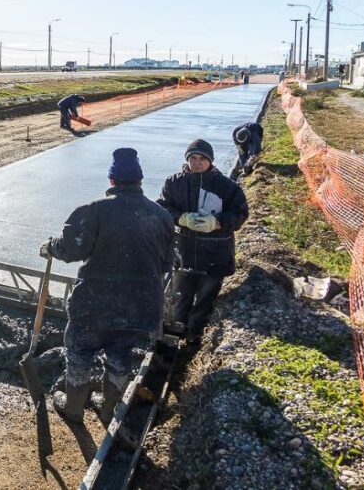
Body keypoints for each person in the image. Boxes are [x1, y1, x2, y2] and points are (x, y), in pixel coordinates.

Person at [40, 148, 174, 425]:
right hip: (139, 308)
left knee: (78, 354)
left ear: (112, 181)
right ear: (139, 180)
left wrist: (50, 247)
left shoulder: (93, 211)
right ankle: (108, 408)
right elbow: (166, 263)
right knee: (121, 356)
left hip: (94, 304)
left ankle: (74, 408)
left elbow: (69, 249)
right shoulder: (161, 216)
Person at [157, 139, 249, 345]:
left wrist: (217, 223)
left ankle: (195, 339)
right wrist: (181, 218)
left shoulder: (226, 187)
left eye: (202, 159)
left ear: (210, 161)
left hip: (214, 254)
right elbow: (162, 208)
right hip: (184, 252)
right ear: (187, 160)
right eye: (193, 158)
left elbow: (241, 213)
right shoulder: (174, 183)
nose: (197, 163)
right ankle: (173, 338)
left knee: (206, 299)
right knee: (180, 297)